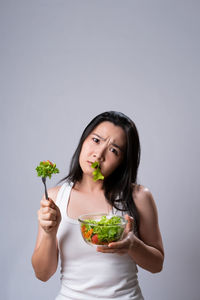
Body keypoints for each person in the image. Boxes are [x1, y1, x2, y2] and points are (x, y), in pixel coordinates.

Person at [32, 111, 164, 300]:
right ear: (84, 140)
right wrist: (48, 232)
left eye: (114, 150)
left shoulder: (138, 196)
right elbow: (42, 274)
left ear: (122, 162)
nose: (99, 154)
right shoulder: (54, 197)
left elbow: (157, 264)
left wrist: (133, 245)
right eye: (96, 140)